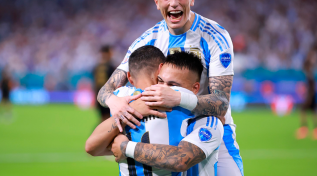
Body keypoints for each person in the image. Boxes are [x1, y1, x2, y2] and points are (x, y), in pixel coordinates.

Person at [97, 0, 243, 176]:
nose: (174, 3)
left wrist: (177, 98)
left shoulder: (214, 36)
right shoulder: (147, 41)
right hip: (166, 132)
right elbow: (105, 91)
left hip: (210, 133)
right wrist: (114, 102)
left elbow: (221, 104)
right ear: (156, 2)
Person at [86, 46, 223, 175]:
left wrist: (126, 147)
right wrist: (131, 109)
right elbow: (91, 147)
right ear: (159, 71)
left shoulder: (207, 121)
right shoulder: (128, 103)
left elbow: (180, 159)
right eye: (160, 81)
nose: (162, 90)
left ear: (194, 88)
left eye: (173, 86)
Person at [296, 48, 317, 140]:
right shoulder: (310, 74)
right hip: (312, 95)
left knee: (304, 111)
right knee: (313, 112)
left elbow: (312, 88)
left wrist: (309, 97)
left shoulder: (309, 74)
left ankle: (304, 129)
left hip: (311, 96)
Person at [93, 45, 116, 122]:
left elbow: (95, 83)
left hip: (99, 95)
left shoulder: (97, 67)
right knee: (109, 119)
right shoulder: (111, 67)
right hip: (108, 95)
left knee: (103, 118)